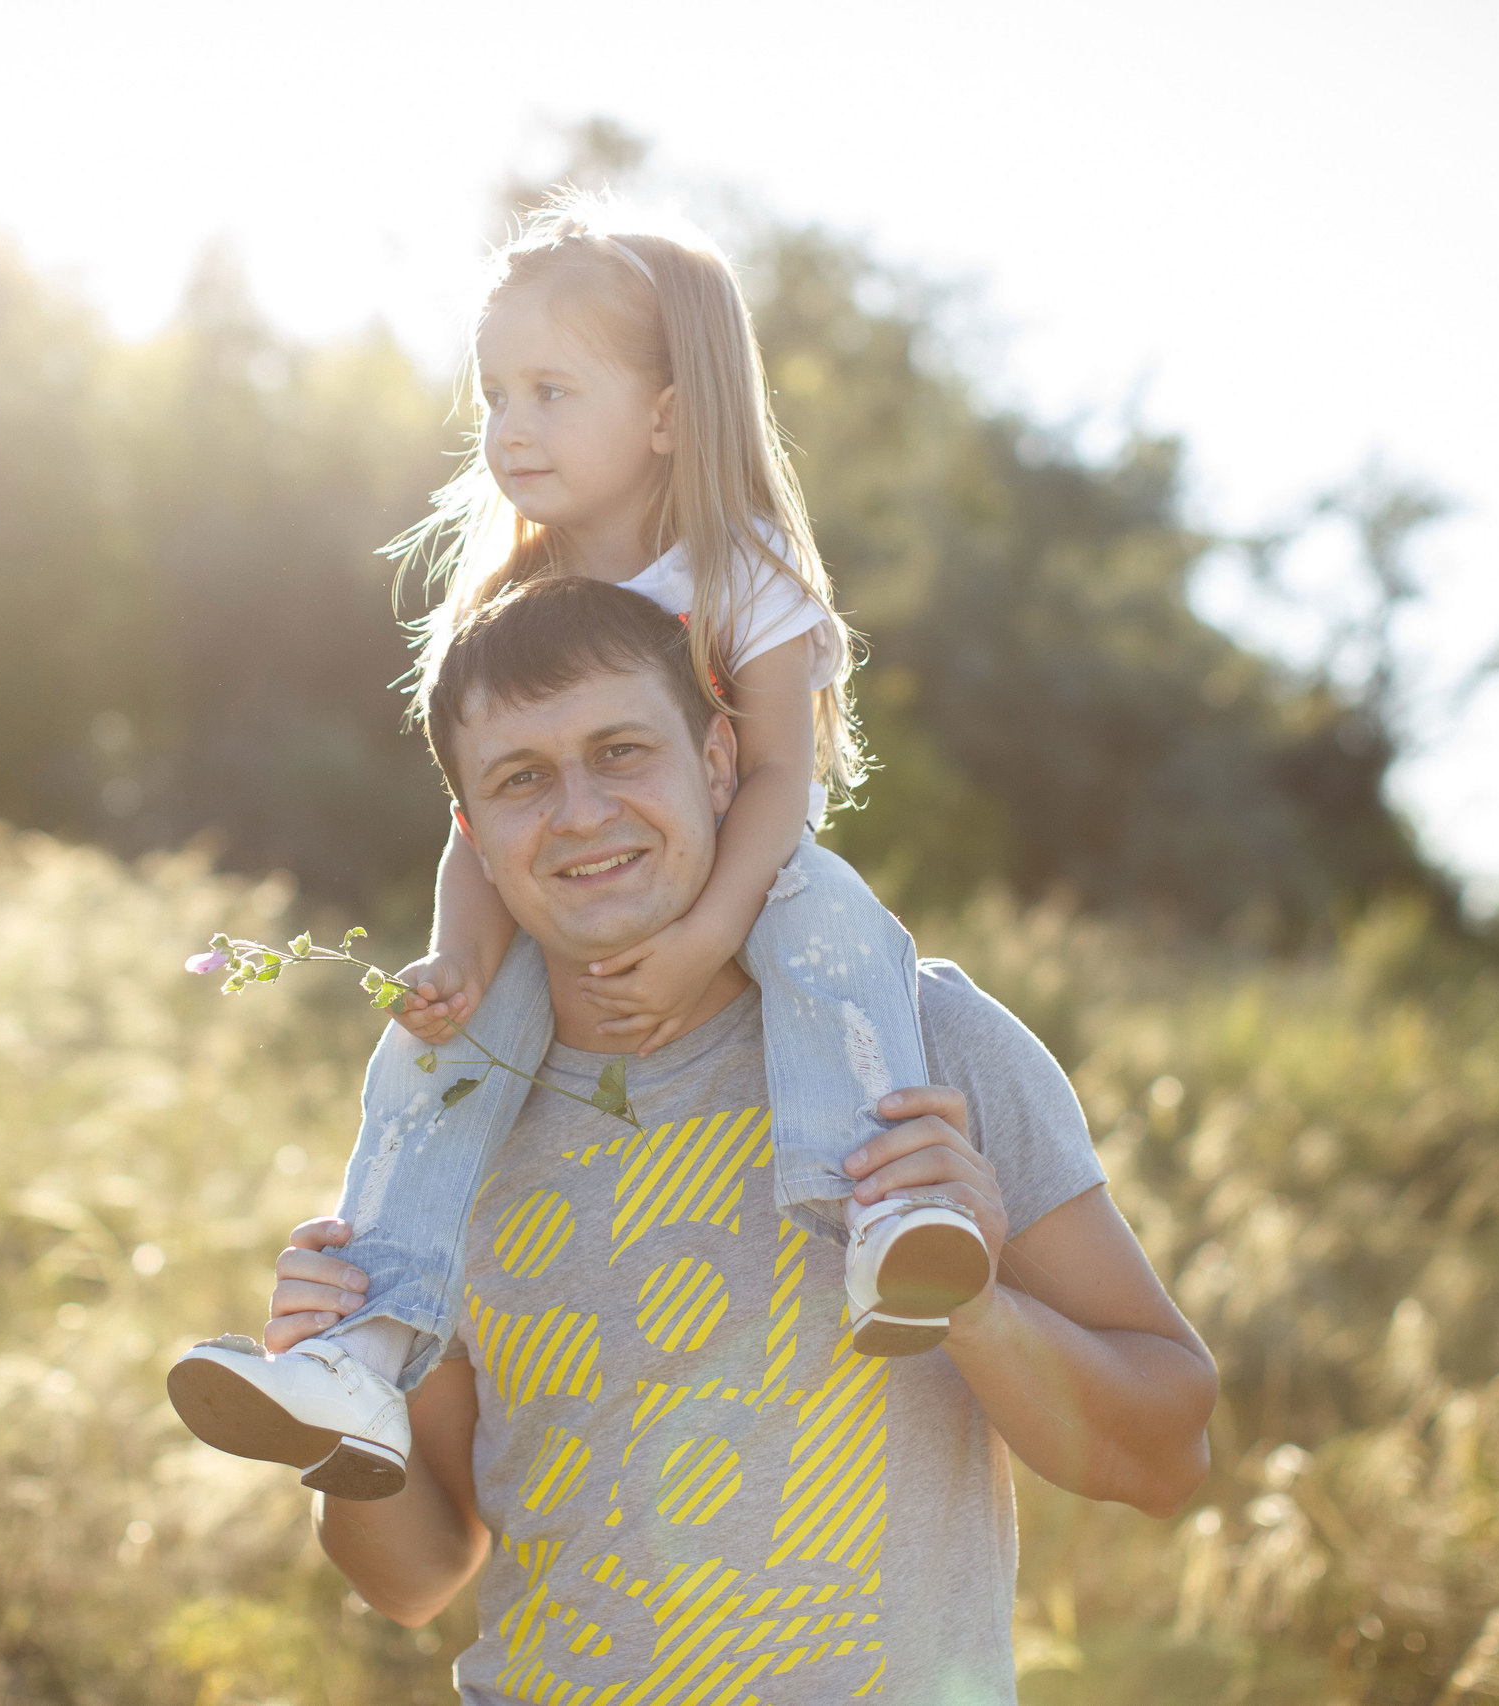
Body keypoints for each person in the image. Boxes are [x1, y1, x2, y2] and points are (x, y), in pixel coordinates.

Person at [190, 578, 1217, 1703]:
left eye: (621, 751)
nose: (579, 812)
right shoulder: (451, 1123)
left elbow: (1168, 1454)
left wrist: (976, 1307)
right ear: (472, 837)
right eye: (522, 779)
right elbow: (421, 1575)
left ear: (721, 763)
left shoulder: (916, 1049)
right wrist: (337, 1426)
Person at [169, 199, 981, 1502]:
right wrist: (459, 962)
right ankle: (365, 1350)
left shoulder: (738, 569)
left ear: (662, 412)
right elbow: (474, 835)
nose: (511, 427)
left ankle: (884, 1219)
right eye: (495, 395)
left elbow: (778, 778)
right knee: (439, 1052)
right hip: (570, 908)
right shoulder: (508, 605)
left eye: (552, 390)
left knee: (835, 929)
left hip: (745, 876)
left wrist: (710, 931)